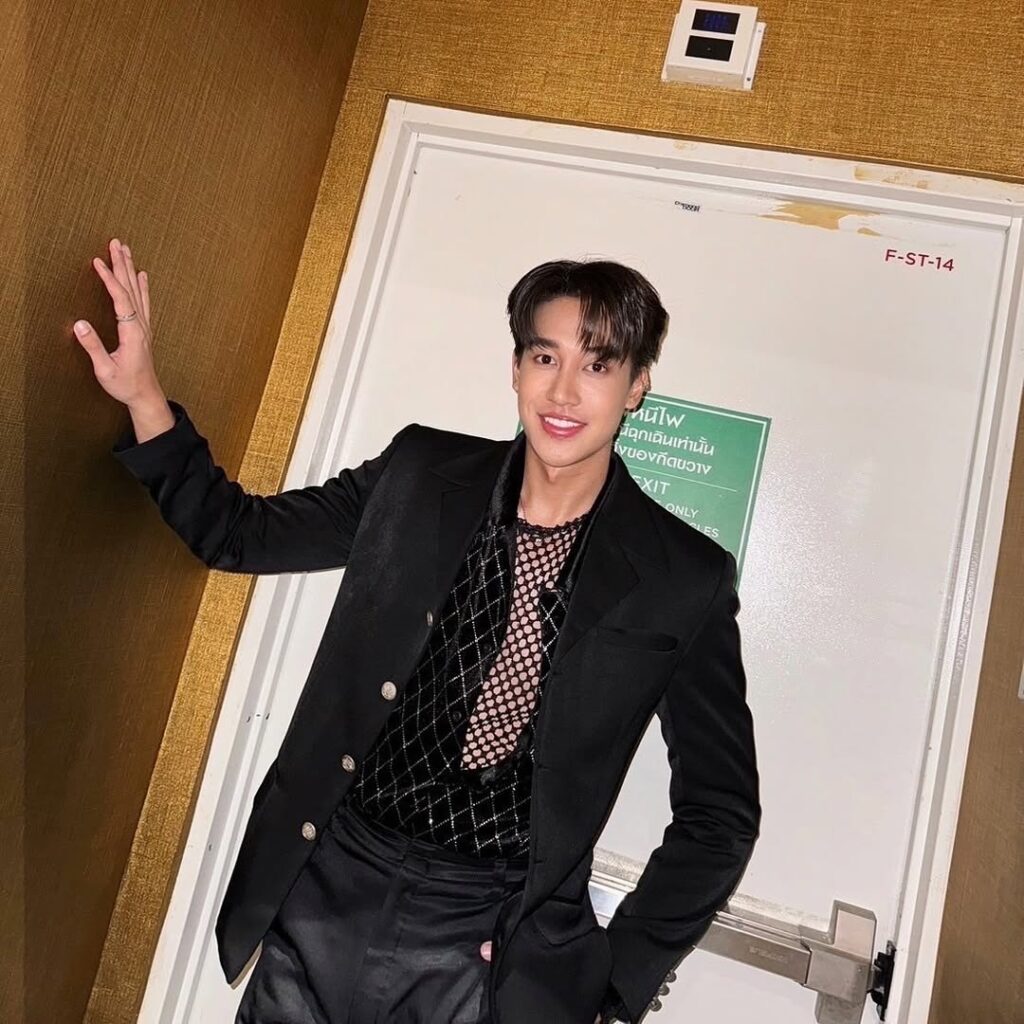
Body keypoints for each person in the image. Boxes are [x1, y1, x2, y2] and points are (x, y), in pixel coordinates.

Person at [73, 238, 761, 1024]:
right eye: (545, 357)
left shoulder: (683, 577)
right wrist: (143, 394)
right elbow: (240, 534)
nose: (564, 391)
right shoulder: (419, 474)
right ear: (516, 367)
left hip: (488, 936)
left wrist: (607, 981)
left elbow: (720, 814)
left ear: (637, 386)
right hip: (330, 882)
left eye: (598, 365)